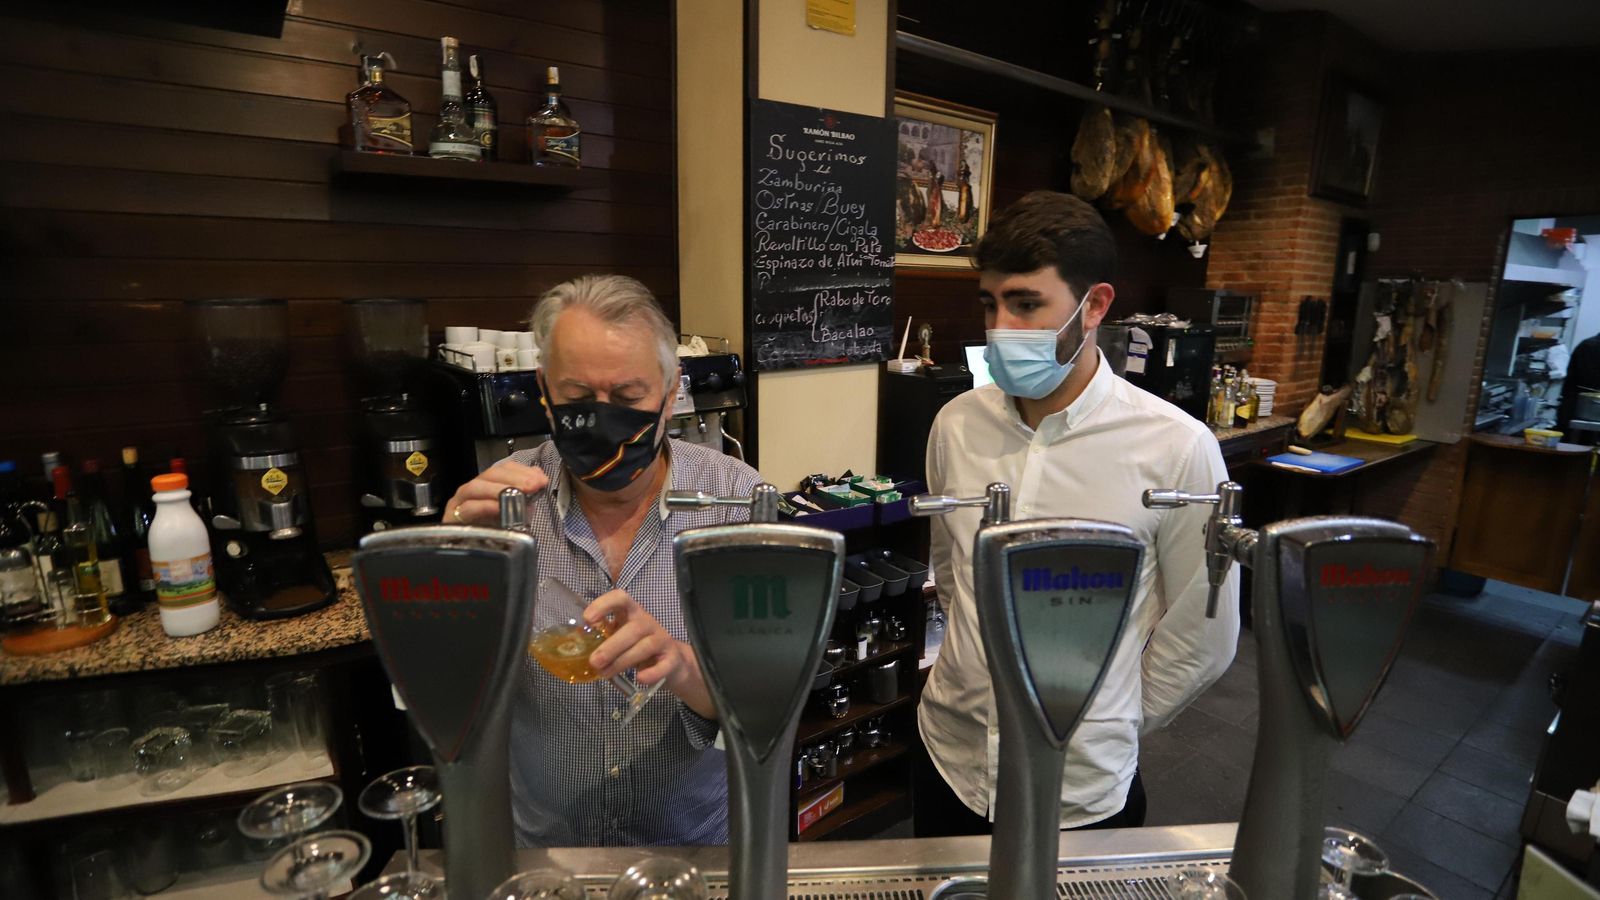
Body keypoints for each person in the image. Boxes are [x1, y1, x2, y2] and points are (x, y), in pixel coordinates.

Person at [915, 191, 1240, 835]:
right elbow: (952, 573)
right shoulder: (956, 424)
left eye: (1027, 304)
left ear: (1094, 305)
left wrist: (1109, 718)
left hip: (1078, 789)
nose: (1001, 328)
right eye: (990, 303)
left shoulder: (1176, 449)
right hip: (950, 757)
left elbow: (1205, 631)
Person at [444, 274, 761, 847]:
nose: (602, 417)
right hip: (546, 852)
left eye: (628, 398)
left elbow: (770, 700)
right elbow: (449, 688)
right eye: (578, 399)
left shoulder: (735, 503)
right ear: (543, 390)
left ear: (671, 394)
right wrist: (447, 573)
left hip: (692, 848)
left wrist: (684, 666)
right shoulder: (502, 507)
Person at [1555, 332, 1600, 440]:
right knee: (1574, 447)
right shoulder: (1590, 346)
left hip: (1588, 411)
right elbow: (1589, 379)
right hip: (1579, 409)